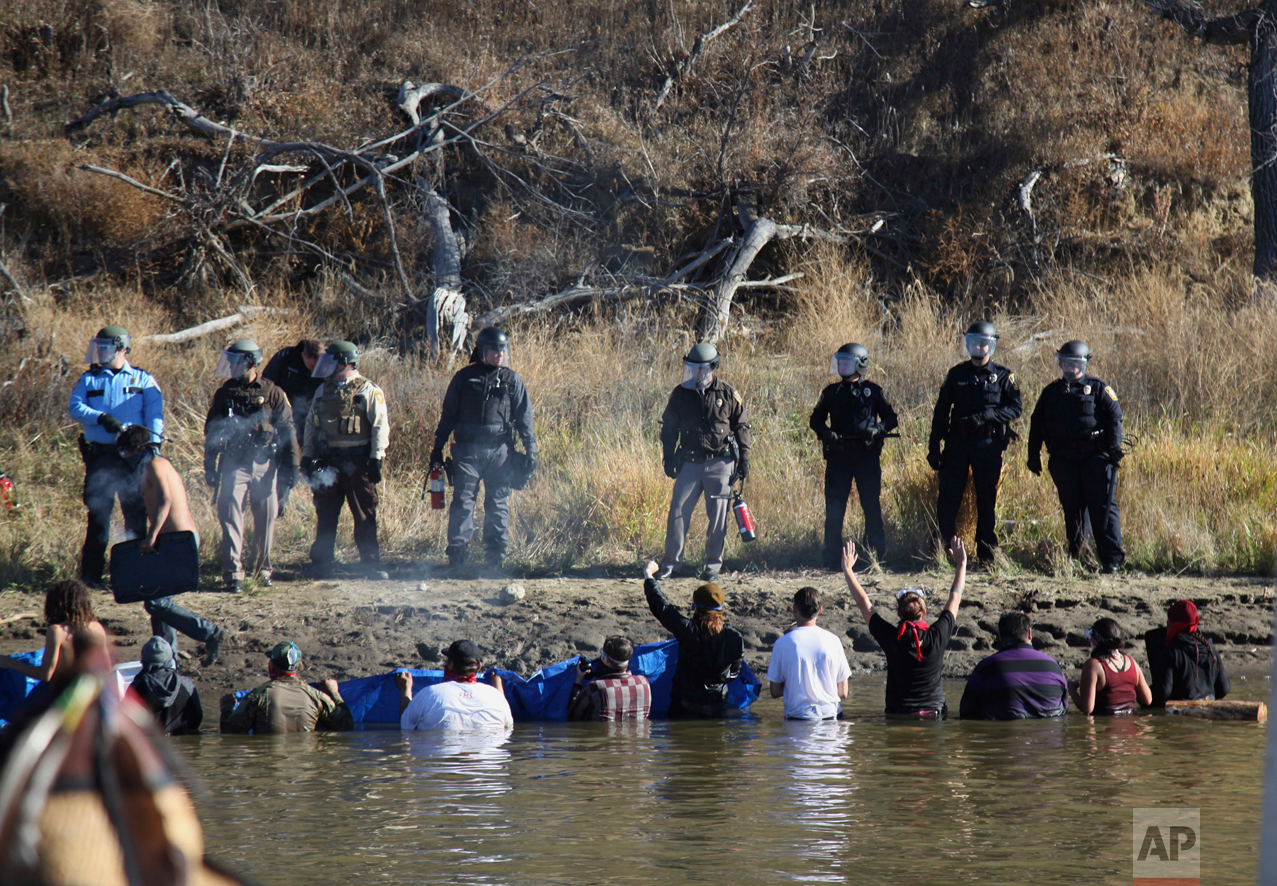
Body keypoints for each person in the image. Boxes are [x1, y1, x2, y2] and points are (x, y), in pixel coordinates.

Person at [429, 326, 537, 570]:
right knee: (463, 501)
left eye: (502, 350)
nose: (499, 355)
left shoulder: (512, 380)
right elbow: (447, 416)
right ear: (482, 351)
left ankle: (495, 558)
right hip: (467, 452)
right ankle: (457, 555)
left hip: (500, 452)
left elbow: (525, 419)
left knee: (498, 502)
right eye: (494, 350)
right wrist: (437, 448)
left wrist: (532, 452)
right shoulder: (464, 378)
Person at [119, 426, 223, 667]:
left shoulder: (156, 464)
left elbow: (166, 499)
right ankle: (167, 661)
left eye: (126, 453)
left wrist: (152, 535)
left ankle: (210, 633)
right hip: (170, 542)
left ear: (137, 448)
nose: (124, 459)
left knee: (156, 602)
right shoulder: (150, 466)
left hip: (179, 542)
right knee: (155, 601)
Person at [68, 325, 164, 588]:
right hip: (101, 457)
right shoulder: (89, 379)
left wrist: (153, 448)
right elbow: (75, 407)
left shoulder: (143, 380)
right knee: (98, 516)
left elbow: (155, 416)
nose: (99, 352)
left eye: (105, 347)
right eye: (97, 346)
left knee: (135, 516)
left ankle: (135, 575)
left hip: (134, 458)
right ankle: (91, 577)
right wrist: (100, 417)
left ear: (121, 348)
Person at [204, 340, 300, 593]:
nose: (230, 366)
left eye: (235, 361)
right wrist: (209, 466)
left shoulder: (273, 392)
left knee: (267, 516)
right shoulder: (225, 393)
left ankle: (263, 570)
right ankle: (233, 573)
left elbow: (288, 429)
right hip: (234, 462)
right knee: (231, 516)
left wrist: (292, 466)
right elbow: (211, 431)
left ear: (249, 363)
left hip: (265, 463)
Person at [927, 321, 1022, 565]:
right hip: (957, 444)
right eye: (973, 343)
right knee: (948, 499)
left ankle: (986, 553)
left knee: (986, 500)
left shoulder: (1004, 375)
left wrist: (987, 416)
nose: (978, 347)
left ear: (991, 345)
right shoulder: (956, 374)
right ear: (967, 344)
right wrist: (933, 446)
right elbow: (941, 412)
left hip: (987, 444)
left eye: (983, 343)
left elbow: (1015, 407)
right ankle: (945, 550)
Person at [1026, 340, 1125, 573]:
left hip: (1096, 458)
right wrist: (1033, 455)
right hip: (1064, 459)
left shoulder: (1099, 388)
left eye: (1076, 363)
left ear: (1085, 364)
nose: (1071, 368)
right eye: (1066, 363)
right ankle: (1078, 554)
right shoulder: (1051, 392)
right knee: (1072, 509)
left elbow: (1114, 418)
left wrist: (1114, 448)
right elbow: (1036, 423)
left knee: (1103, 508)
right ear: (1060, 364)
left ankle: (1112, 559)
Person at [657, 342, 752, 581]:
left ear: (713, 368)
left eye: (701, 369)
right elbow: (669, 428)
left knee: (718, 516)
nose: (697, 373)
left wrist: (744, 460)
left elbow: (742, 427)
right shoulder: (681, 393)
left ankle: (713, 564)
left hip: (721, 463)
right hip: (689, 463)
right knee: (678, 511)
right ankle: (671, 564)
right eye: (693, 368)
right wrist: (668, 457)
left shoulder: (728, 394)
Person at [842, 537, 966, 718]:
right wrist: (961, 563)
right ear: (923, 612)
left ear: (899, 613)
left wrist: (847, 570)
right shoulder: (937, 634)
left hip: (898, 715)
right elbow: (955, 597)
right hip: (934, 715)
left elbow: (864, 604)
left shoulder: (892, 638)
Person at [302, 341, 390, 580]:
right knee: (326, 513)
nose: (327, 367)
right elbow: (311, 424)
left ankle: (370, 564)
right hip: (328, 460)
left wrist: (376, 458)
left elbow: (380, 426)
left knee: (363, 513)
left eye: (332, 361)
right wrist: (308, 456)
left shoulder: (368, 390)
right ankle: (322, 563)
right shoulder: (323, 390)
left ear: (345, 361)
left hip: (357, 460)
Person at [809, 342, 899, 569]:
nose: (842, 366)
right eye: (840, 362)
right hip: (838, 458)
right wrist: (826, 432)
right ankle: (832, 558)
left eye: (846, 362)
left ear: (860, 365)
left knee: (871, 506)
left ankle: (875, 557)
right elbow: (815, 419)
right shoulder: (832, 392)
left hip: (866, 458)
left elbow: (891, 419)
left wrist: (878, 429)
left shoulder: (874, 392)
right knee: (834, 508)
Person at [642, 560, 745, 717]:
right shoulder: (734, 638)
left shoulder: (688, 631)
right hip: (718, 708)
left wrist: (649, 575)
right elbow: (734, 673)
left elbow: (661, 606)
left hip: (684, 708)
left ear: (696, 607)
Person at [220, 641, 353, 734]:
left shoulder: (258, 696)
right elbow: (346, 725)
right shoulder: (316, 696)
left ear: (270, 665)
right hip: (304, 768)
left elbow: (230, 731)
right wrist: (334, 693)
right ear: (300, 666)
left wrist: (227, 707)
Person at [958, 611, 1068, 720]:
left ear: (1000, 637)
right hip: (1049, 734)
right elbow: (1064, 708)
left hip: (1003, 733)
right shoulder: (1053, 666)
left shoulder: (985, 668)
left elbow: (966, 712)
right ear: (1030, 634)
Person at [766, 587, 851, 720]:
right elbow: (843, 692)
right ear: (820, 610)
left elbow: (775, 692)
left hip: (798, 719)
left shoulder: (782, 643)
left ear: (795, 609)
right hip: (832, 718)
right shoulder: (833, 640)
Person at [0, 579, 107, 684]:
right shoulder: (97, 628)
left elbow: (45, 675)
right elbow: (107, 669)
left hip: (66, 695)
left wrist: (13, 664)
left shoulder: (57, 631)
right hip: (93, 693)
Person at [260, 338, 323, 515]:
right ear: (303, 354)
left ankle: (319, 503)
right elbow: (266, 386)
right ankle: (281, 504)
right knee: (284, 458)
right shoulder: (285, 358)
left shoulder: (325, 363)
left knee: (315, 458)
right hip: (283, 418)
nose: (314, 370)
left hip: (310, 419)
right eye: (311, 366)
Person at [396, 640, 513, 730]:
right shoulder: (496, 697)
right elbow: (507, 726)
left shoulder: (430, 694)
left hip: (439, 760)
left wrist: (405, 689)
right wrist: (498, 690)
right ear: (480, 666)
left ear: (450, 665)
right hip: (489, 761)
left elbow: (406, 724)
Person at [1068, 618, 1153, 715]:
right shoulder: (1131, 662)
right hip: (1132, 725)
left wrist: (1071, 690)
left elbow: (1087, 709)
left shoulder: (1094, 665)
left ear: (1095, 639)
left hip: (1105, 726)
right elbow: (1147, 700)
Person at [1152, 600, 1230, 706]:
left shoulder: (1170, 653)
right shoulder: (1210, 649)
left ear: (1173, 624)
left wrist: (1144, 693)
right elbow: (1224, 689)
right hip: (1209, 712)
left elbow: (1162, 694)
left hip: (1182, 715)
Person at [567, 636, 652, 721]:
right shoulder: (644, 683)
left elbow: (572, 716)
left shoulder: (596, 687)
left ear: (606, 659)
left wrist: (578, 681)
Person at [130, 636, 203, 736]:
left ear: (144, 660)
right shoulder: (185, 683)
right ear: (170, 660)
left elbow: (126, 722)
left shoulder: (137, 686)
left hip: (150, 744)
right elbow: (197, 717)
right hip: (181, 743)